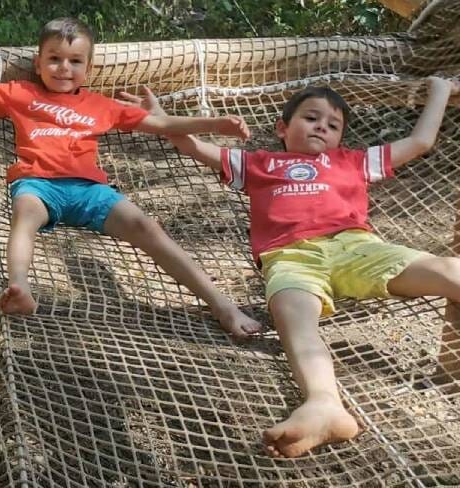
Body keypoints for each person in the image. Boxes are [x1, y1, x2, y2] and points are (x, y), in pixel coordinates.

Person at [122, 77, 460, 457]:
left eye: (333, 126)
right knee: (290, 314)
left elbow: (419, 143)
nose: (322, 127)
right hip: (290, 255)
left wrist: (440, 92)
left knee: (451, 271)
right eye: (311, 118)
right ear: (283, 128)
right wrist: (163, 119)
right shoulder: (259, 164)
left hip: (357, 247)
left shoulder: (352, 161)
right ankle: (324, 404)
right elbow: (192, 145)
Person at [0, 17, 262, 337]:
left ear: (89, 68)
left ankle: (222, 305)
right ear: (38, 62)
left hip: (91, 191)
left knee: (148, 228)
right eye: (54, 59)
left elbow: (161, 123)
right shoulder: (21, 94)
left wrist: (215, 123)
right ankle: (19, 286)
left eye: (74, 61)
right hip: (38, 184)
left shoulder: (100, 105)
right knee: (24, 213)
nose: (63, 68)